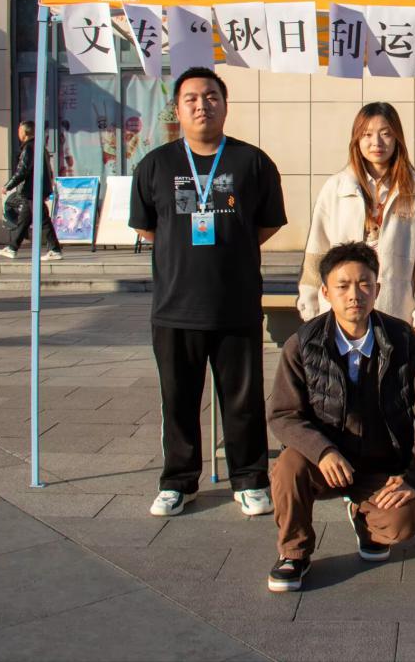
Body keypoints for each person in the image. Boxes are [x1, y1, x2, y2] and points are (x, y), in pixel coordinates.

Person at [129, 66, 287, 519]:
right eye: (192, 98)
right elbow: (147, 228)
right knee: (178, 400)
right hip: (175, 307)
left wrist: (230, 245)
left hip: (235, 303)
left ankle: (250, 479)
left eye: (212, 96)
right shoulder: (155, 165)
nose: (203, 105)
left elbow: (267, 224)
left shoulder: (252, 162)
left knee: (243, 400)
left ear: (225, 104)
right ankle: (178, 482)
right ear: (178, 109)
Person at [267, 242, 415, 593]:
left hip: (381, 462)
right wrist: (322, 451)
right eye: (343, 285)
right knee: (288, 467)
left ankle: (366, 520)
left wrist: (414, 479)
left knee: (403, 521)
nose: (354, 295)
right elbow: (283, 414)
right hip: (324, 463)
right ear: (325, 292)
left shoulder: (402, 340)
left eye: (364, 284)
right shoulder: (302, 344)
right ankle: (293, 552)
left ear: (376, 289)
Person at [298, 102, 415, 356]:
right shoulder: (336, 188)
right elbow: (317, 252)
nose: (376, 142)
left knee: (392, 377)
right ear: (356, 139)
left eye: (386, 133)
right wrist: (311, 305)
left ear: (397, 138)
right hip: (341, 313)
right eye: (367, 134)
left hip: (396, 311)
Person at [0, 120, 63, 261]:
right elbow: (48, 171)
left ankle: (54, 250)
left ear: (24, 132)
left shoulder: (29, 148)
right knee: (24, 220)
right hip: (35, 190)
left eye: (19, 130)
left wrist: (8, 186)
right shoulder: (40, 147)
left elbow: (22, 170)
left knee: (43, 220)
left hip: (32, 190)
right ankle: (12, 248)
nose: (18, 133)